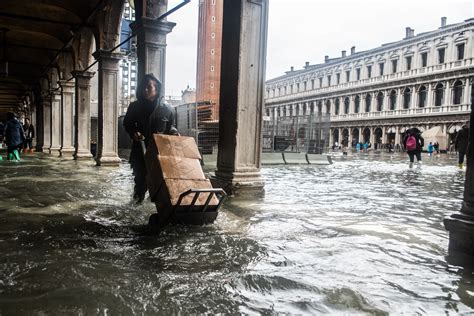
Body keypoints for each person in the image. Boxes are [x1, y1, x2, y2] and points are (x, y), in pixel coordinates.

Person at [123, 74, 178, 204]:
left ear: (157, 89)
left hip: (159, 154)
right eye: (143, 87)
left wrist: (175, 133)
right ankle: (136, 207)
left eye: (149, 87)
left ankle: (159, 209)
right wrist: (133, 132)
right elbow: (127, 123)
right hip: (139, 152)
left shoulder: (168, 109)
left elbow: (170, 127)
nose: (145, 90)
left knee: (160, 185)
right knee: (140, 184)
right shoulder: (134, 107)